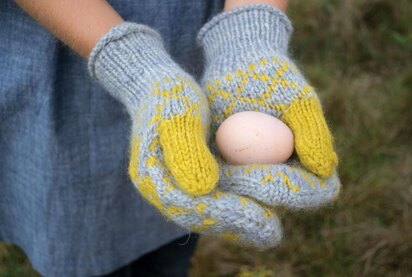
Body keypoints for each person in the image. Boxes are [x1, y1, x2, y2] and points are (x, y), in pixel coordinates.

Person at [0, 0, 341, 276]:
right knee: (85, 241)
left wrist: (247, 33)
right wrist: (133, 64)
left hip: (185, 39)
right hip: (70, 36)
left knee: (185, 193)